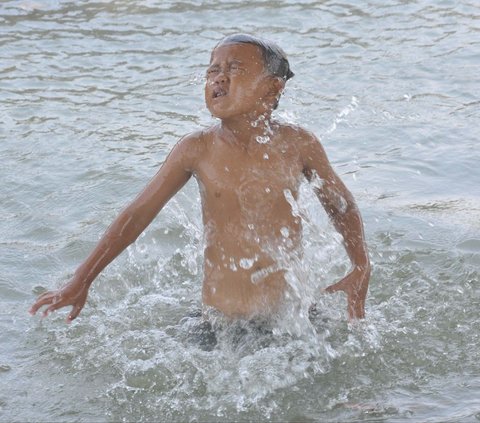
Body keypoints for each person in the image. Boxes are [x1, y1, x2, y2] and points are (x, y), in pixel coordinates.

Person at [29, 34, 370, 324]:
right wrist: (81, 280)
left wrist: (360, 266)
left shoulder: (298, 144)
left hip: (292, 318)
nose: (220, 78)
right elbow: (136, 215)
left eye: (235, 69)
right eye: (213, 70)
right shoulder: (196, 149)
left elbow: (340, 205)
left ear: (271, 90)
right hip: (221, 321)